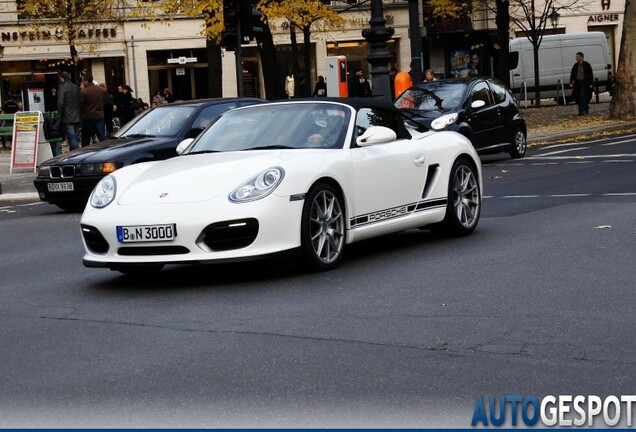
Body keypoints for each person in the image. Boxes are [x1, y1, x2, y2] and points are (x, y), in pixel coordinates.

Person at [56, 71, 81, 155]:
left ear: (61, 78)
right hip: (77, 115)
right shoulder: (75, 87)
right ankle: (73, 154)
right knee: (76, 137)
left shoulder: (62, 87)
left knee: (72, 137)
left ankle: (76, 154)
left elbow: (60, 102)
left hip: (68, 116)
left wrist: (60, 113)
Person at [79, 72, 106, 146]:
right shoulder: (101, 90)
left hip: (89, 117)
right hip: (100, 116)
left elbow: (81, 106)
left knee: (86, 139)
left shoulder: (83, 92)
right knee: (102, 137)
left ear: (86, 81)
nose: (83, 83)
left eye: (83, 81)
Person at [569, 51, 594, 115]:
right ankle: (586, 106)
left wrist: (591, 83)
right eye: (576, 57)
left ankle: (581, 111)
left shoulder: (586, 65)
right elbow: (572, 73)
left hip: (584, 82)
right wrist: (571, 81)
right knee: (577, 97)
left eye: (577, 57)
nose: (576, 58)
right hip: (577, 82)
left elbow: (590, 74)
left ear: (581, 57)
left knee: (582, 96)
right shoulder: (576, 65)